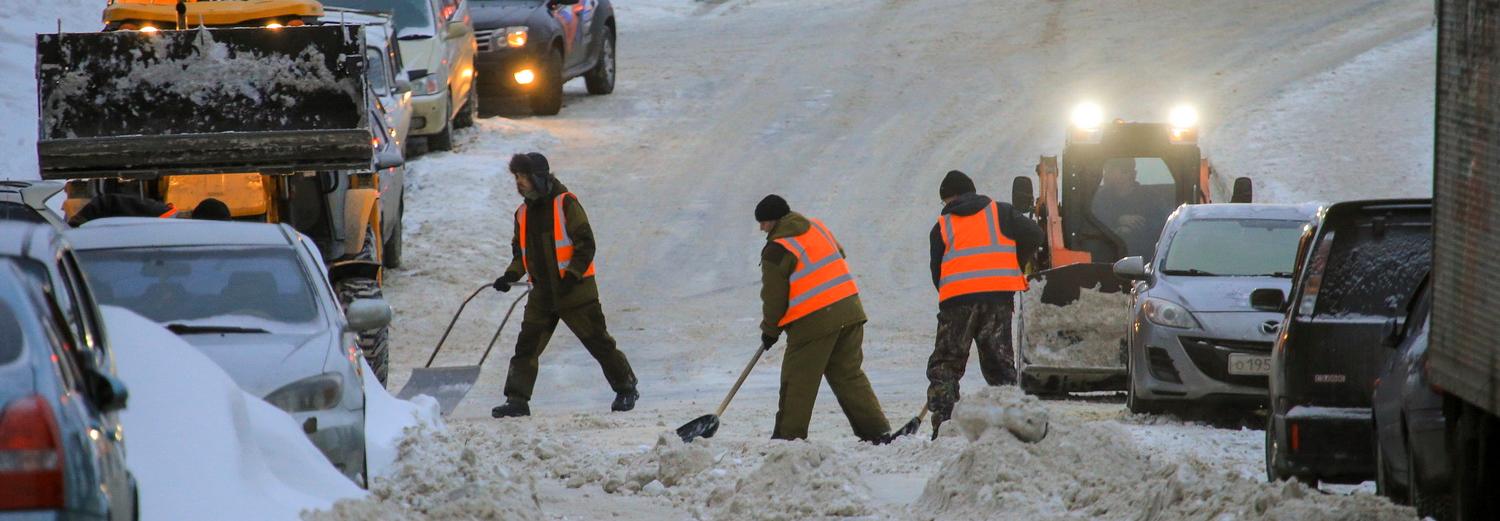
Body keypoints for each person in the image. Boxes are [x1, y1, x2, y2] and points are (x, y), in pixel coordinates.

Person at [491, 152, 638, 418]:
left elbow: (586, 244)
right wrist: (510, 276)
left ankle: (626, 387)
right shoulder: (523, 213)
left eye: (524, 177)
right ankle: (517, 400)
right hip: (542, 295)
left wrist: (572, 275)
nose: (519, 183)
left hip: (575, 292)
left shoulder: (565, 204)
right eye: (517, 177)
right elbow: (520, 254)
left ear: (539, 177)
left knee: (598, 342)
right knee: (526, 347)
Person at [756, 194, 890, 442]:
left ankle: (788, 439)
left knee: (798, 380)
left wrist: (770, 330)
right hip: (850, 310)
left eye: (762, 222)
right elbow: (840, 253)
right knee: (848, 374)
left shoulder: (776, 248)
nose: (761, 228)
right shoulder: (817, 226)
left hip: (813, 321)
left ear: (773, 221)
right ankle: (878, 432)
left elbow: (774, 296)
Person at [926, 170, 1043, 437]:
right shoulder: (1001, 213)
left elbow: (938, 273)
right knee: (1000, 367)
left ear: (950, 197)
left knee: (945, 366)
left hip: (957, 303)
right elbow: (1035, 235)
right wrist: (1013, 262)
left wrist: (953, 297)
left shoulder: (942, 226)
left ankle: (943, 427)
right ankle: (1015, 427)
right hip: (998, 300)